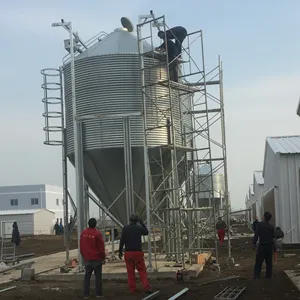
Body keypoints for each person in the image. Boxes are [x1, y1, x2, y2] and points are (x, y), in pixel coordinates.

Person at [118, 214, 152, 294]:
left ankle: (132, 289)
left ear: (130, 220)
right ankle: (146, 287)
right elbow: (146, 232)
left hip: (128, 253)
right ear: (137, 221)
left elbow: (122, 240)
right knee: (142, 271)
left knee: (130, 272)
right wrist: (142, 223)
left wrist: (120, 251)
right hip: (138, 252)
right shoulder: (139, 228)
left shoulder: (125, 228)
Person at [80, 218, 105, 299]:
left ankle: (86, 294)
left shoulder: (83, 233)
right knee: (98, 278)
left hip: (87, 259)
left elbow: (81, 247)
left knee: (87, 277)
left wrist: (84, 256)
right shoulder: (97, 234)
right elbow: (101, 247)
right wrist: (103, 257)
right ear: (95, 224)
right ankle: (98, 294)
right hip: (96, 259)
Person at [253, 212, 275, 279]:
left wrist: (254, 243)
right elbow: (272, 238)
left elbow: (256, 234)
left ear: (264, 217)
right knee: (269, 263)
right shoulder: (271, 227)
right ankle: (268, 275)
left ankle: (257, 275)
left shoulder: (260, 224)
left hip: (262, 246)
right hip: (269, 246)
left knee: (258, 262)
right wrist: (274, 247)